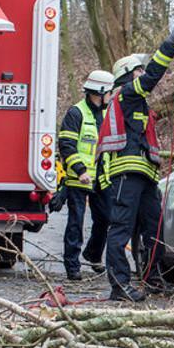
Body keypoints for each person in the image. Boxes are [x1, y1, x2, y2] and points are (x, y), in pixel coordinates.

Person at [100, 29, 174, 302]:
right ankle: (119, 286)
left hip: (145, 175)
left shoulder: (136, 102)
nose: (141, 74)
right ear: (128, 75)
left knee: (154, 228)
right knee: (121, 229)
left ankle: (152, 279)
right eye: (138, 71)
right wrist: (169, 47)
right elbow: (151, 78)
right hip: (127, 174)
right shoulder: (127, 94)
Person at [57, 70, 116, 281]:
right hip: (79, 178)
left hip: (102, 177)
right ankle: (72, 266)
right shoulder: (76, 113)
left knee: (106, 218)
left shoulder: (106, 114)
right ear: (99, 93)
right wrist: (81, 171)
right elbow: (66, 145)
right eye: (109, 93)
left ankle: (92, 254)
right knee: (76, 222)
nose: (110, 97)